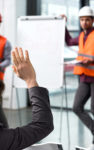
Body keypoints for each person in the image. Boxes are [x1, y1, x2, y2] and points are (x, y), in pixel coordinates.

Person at [62, 6, 94, 150]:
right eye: (82, 20)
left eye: (87, 19)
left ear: (92, 21)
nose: (84, 22)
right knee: (77, 107)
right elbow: (69, 41)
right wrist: (63, 25)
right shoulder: (81, 36)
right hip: (84, 77)